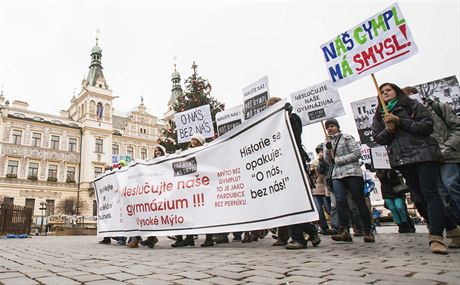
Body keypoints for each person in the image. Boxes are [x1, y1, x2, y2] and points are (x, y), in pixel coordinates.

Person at [372, 82, 460, 254]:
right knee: (420, 197)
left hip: (424, 155)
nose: (385, 93)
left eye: (388, 90)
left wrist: (400, 122)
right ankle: (453, 229)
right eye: (382, 92)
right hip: (403, 160)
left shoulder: (412, 106)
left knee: (431, 193)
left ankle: (436, 237)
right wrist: (389, 129)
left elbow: (427, 127)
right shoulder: (379, 115)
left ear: (396, 92)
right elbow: (379, 138)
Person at [265, 97, 320, 250]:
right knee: (286, 201)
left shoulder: (292, 117)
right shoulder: (269, 124)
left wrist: (286, 116)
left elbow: (295, 135)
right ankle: (311, 231)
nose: (270, 108)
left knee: (294, 199)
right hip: (278, 163)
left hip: (293, 161)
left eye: (272, 105)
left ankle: (298, 239)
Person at [403, 86, 460, 225]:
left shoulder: (438, 107)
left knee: (452, 185)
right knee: (441, 197)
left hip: (447, 155)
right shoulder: (408, 116)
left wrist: (447, 146)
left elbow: (457, 127)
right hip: (428, 159)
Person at [324, 118, 375, 243]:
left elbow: (356, 153)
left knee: (359, 201)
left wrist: (339, 160)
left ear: (337, 126)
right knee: (340, 201)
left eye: (331, 126)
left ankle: (367, 230)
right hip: (337, 175)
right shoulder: (327, 142)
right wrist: (327, 150)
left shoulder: (347, 137)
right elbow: (328, 161)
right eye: (327, 127)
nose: (329, 129)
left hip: (352, 172)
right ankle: (345, 230)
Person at [171, 133, 215, 248]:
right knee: (189, 213)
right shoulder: (187, 153)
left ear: (200, 142)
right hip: (191, 188)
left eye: (196, 140)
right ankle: (189, 238)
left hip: (203, 186)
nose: (193, 141)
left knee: (205, 213)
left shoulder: (204, 151)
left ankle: (209, 238)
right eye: (192, 140)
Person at [126, 145, 166, 249]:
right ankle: (142, 238)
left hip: (163, 191)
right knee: (146, 213)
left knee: (154, 215)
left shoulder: (166, 160)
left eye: (159, 150)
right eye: (156, 150)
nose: (157, 152)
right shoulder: (151, 162)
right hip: (151, 191)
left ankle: (149, 238)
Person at [310, 143, 333, 235]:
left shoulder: (329, 160)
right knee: (319, 209)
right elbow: (314, 175)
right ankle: (324, 227)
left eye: (322, 151)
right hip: (317, 188)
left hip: (327, 187)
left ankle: (336, 225)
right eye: (319, 151)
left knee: (329, 208)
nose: (320, 153)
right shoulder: (314, 163)